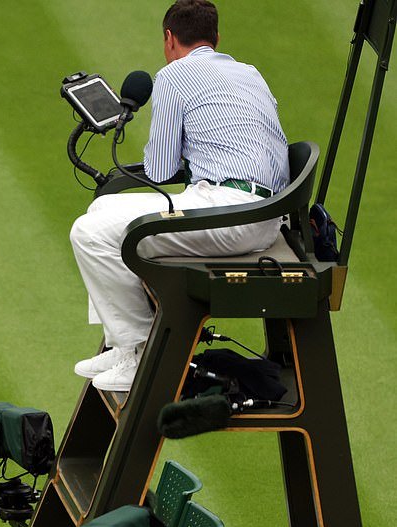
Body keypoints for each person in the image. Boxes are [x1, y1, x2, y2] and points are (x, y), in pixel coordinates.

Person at [71, 0, 290, 391]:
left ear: (169, 38)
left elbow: (158, 170)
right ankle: (123, 347)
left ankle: (141, 354)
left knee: (89, 233)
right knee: (103, 207)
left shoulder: (173, 76)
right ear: (216, 38)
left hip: (229, 213)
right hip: (265, 213)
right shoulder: (250, 73)